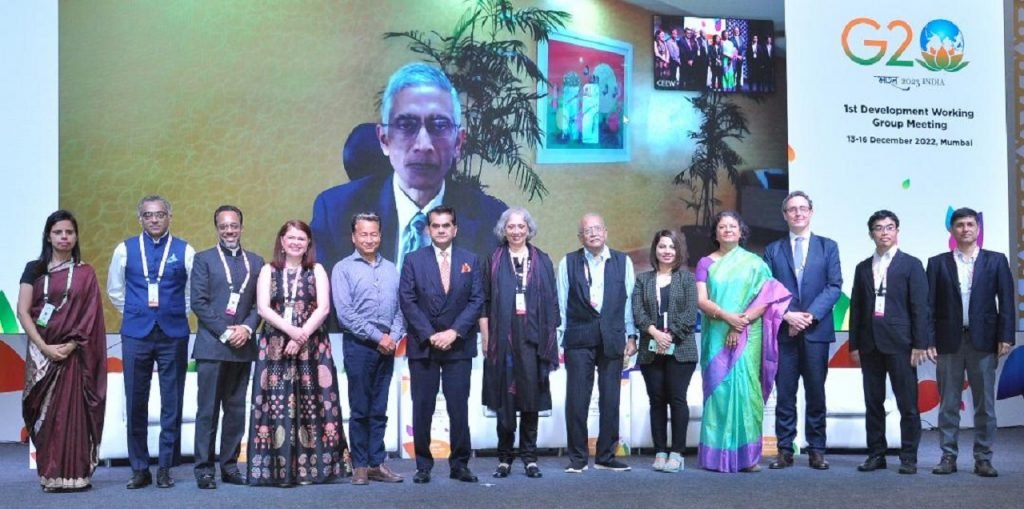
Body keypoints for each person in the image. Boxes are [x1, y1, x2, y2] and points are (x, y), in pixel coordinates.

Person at [311, 62, 506, 277]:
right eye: (406, 125)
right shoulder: (335, 213)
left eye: (439, 125)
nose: (423, 144)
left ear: (458, 143)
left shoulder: (492, 221)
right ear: (384, 140)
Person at [246, 220, 351, 486]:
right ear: (282, 241)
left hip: (312, 347)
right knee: (276, 406)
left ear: (308, 243)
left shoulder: (317, 269)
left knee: (313, 404)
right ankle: (278, 472)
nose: (295, 243)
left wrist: (301, 335)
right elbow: (263, 309)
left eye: (301, 239)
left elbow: (323, 308)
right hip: (275, 347)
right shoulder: (268, 270)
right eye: (291, 238)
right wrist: (291, 332)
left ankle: (314, 471)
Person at [107, 195, 195, 489]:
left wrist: (173, 312)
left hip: (173, 333)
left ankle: (166, 468)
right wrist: (136, 312)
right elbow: (115, 290)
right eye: (148, 215)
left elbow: (191, 293)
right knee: (135, 401)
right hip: (136, 333)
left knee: (172, 401)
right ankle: (140, 468)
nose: (154, 219)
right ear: (140, 219)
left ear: (169, 216)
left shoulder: (185, 250)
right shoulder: (124, 249)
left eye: (159, 214)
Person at [695, 211, 790, 473]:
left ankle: (748, 458)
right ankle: (715, 457)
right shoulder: (705, 263)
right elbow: (702, 300)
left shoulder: (754, 263)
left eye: (732, 226)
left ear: (741, 232)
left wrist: (741, 323)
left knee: (747, 392)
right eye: (722, 227)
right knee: (719, 391)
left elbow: (767, 298)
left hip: (749, 334)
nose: (727, 230)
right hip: (717, 332)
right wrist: (728, 318)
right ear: (715, 233)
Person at [19, 210, 107, 492]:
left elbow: (90, 316)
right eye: (58, 232)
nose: (64, 237)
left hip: (74, 355)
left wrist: (70, 345)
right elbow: (23, 312)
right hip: (42, 354)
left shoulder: (85, 273)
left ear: (76, 236)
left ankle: (76, 475)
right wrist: (44, 347)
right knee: (45, 416)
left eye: (69, 232)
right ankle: (50, 474)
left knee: (73, 415)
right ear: (49, 236)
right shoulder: (34, 269)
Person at [399, 206, 484, 484]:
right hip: (424, 345)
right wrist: (430, 334)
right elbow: (407, 300)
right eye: (435, 226)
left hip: (458, 346)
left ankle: (460, 465)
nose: (441, 230)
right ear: (428, 230)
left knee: (458, 407)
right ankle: (423, 466)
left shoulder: (470, 260)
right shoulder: (413, 260)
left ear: (455, 229)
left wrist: (454, 332)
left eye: (446, 225)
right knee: (422, 407)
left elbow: (476, 300)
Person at [927, 207, 1013, 477]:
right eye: (960, 225)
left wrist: (1006, 336)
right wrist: (928, 340)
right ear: (952, 230)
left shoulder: (996, 260)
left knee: (984, 404)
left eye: (970, 224)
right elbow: (928, 306)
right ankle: (948, 456)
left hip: (984, 341)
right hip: (948, 342)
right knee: (948, 404)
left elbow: (1006, 302)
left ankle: (983, 458)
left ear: (978, 229)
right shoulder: (937, 263)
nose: (965, 229)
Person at [848, 210, 934, 475]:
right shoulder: (862, 267)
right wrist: (854, 344)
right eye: (878, 228)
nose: (884, 232)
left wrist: (920, 343)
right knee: (873, 403)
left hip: (901, 344)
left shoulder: (911, 264)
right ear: (871, 233)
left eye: (889, 227)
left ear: (897, 231)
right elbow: (857, 308)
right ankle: (876, 454)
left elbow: (920, 307)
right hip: (869, 344)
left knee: (907, 404)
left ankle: (908, 457)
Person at [762, 192, 842, 470]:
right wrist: (787, 315)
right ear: (784, 215)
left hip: (816, 331)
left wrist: (808, 317)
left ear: (811, 212)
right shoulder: (773, 250)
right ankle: (785, 450)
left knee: (816, 393)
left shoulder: (828, 247)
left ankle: (817, 449)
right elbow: (767, 289)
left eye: (803, 208)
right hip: (784, 332)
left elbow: (834, 286)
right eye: (792, 209)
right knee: (785, 394)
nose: (798, 213)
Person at [480, 208, 560, 479]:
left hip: (533, 341)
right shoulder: (492, 260)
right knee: (504, 402)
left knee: (531, 400)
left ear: (528, 229)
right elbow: (484, 302)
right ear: (504, 230)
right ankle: (504, 458)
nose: (516, 231)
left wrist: (550, 338)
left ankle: (530, 458)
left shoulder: (542, 260)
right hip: (503, 341)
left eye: (521, 226)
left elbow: (553, 302)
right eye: (511, 227)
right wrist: (486, 337)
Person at [190, 205, 264, 489]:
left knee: (235, 411)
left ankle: (230, 466)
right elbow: (199, 302)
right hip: (212, 347)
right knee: (207, 411)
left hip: (243, 347)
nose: (229, 230)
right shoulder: (204, 259)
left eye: (234, 225)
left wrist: (246, 329)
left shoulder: (256, 262)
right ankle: (204, 469)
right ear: (217, 229)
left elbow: (260, 305)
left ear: (241, 227)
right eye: (224, 226)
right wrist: (225, 332)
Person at [558, 213, 638, 473]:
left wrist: (631, 335)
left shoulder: (623, 261)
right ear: (580, 237)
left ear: (605, 232)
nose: (592, 233)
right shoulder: (568, 262)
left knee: (611, 399)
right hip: (578, 338)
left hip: (612, 337)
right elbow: (561, 304)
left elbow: (628, 301)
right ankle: (577, 458)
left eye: (597, 229)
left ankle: (606, 456)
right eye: (587, 230)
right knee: (577, 400)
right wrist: (559, 341)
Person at [332, 212, 405, 486]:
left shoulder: (391, 268)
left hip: (388, 346)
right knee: (360, 408)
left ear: (381, 236)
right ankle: (360, 465)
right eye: (363, 234)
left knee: (379, 408)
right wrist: (378, 338)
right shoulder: (342, 268)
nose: (369, 239)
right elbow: (345, 314)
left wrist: (393, 336)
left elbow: (402, 309)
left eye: (374, 233)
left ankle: (376, 463)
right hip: (359, 345)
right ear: (354, 237)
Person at [631, 229, 698, 473]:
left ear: (678, 251)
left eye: (671, 247)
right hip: (651, 350)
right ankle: (660, 451)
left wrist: (669, 336)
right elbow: (638, 311)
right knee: (657, 400)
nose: (667, 251)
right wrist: (655, 333)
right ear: (655, 250)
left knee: (677, 399)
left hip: (681, 349)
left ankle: (677, 453)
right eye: (662, 246)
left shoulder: (687, 279)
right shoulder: (643, 280)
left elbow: (690, 314)